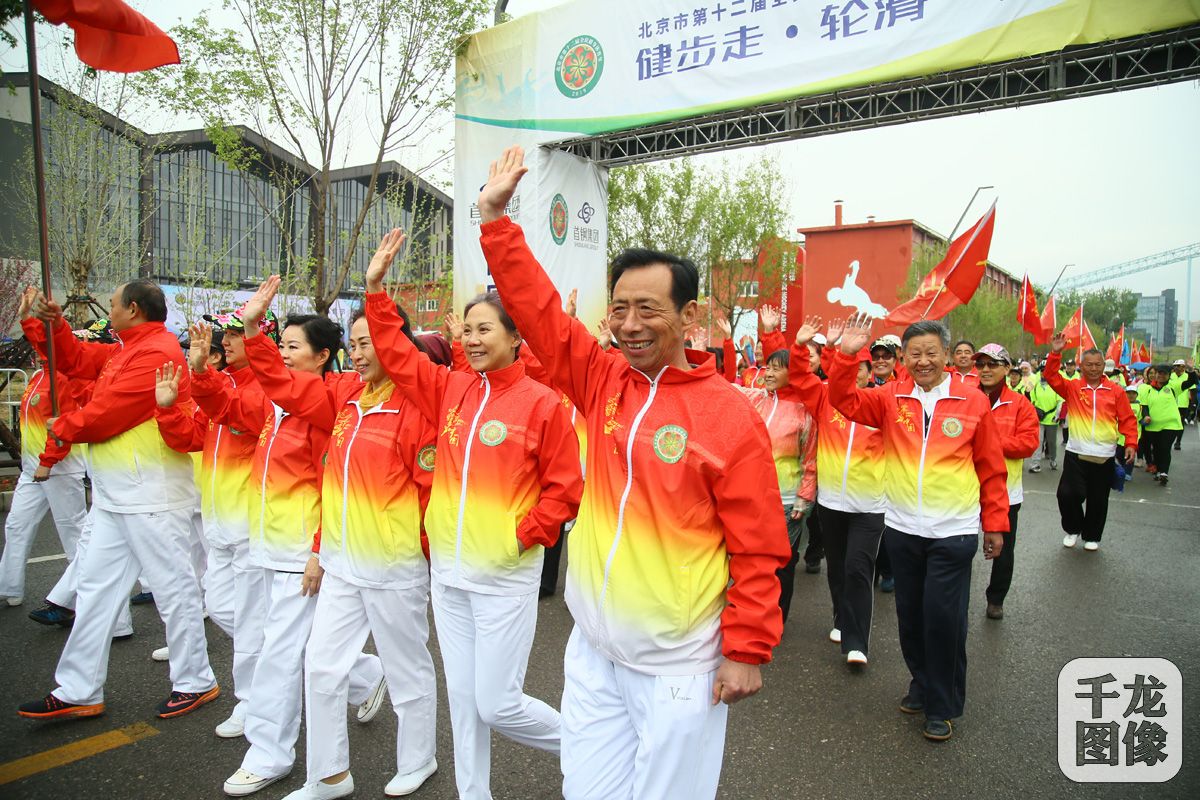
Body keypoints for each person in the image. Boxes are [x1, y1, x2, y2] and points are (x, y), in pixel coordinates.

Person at [476, 145, 790, 798]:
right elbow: (539, 314)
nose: (629, 323)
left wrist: (747, 647)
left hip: (678, 667)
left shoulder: (730, 417)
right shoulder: (601, 379)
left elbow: (759, 546)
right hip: (593, 653)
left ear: (690, 317)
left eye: (648, 308)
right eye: (619, 307)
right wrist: (495, 222)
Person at [366, 229, 583, 800]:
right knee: (462, 700)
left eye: (486, 328)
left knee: (497, 702)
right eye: (467, 329)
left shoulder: (540, 403)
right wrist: (375, 290)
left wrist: (520, 535)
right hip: (449, 577)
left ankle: (586, 744)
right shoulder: (451, 389)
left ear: (515, 337)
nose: (473, 337)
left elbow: (565, 489)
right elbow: (395, 352)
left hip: (503, 578)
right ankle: (473, 793)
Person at [223, 278, 442, 800]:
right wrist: (255, 330)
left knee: (408, 673)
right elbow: (284, 388)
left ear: (397, 345)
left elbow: (433, 498)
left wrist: (432, 565)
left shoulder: (419, 410)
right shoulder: (344, 396)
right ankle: (329, 776)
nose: (361, 351)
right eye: (357, 341)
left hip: (392, 568)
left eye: (372, 341)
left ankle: (420, 758)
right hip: (341, 564)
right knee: (320, 667)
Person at [189, 311, 384, 797]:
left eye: (293, 346)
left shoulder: (325, 410)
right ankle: (367, 675)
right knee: (269, 642)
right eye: (283, 346)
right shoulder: (270, 402)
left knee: (277, 654)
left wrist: (318, 549)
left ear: (322, 357)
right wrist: (199, 372)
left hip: (300, 554)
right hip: (265, 546)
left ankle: (270, 754)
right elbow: (228, 410)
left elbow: (333, 485)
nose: (284, 354)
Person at [17, 280, 218, 721]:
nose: (108, 311)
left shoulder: (157, 352)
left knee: (174, 588)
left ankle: (195, 680)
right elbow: (73, 360)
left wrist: (63, 427)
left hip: (151, 491)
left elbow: (110, 413)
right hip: (115, 494)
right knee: (94, 589)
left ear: (132, 309)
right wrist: (44, 325)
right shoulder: (125, 349)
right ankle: (79, 688)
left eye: (112, 305)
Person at [827, 314, 1008, 742]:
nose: (923, 361)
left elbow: (991, 466)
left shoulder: (972, 401)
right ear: (904, 358)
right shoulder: (890, 397)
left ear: (947, 355)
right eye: (915, 354)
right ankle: (921, 683)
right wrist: (846, 354)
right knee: (910, 617)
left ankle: (942, 705)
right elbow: (843, 400)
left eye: (931, 353)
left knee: (943, 619)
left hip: (954, 530)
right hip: (904, 528)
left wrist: (995, 523)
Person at [152, 308, 272, 740]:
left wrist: (204, 375)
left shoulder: (266, 390)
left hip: (252, 524)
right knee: (223, 608)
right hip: (218, 522)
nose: (226, 340)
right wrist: (167, 409)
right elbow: (189, 437)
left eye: (236, 334)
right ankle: (353, 670)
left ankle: (253, 704)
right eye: (226, 333)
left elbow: (236, 412)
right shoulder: (225, 385)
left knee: (254, 624)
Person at [790, 316, 886, 666]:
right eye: (852, 363)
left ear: (869, 371)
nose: (857, 372)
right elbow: (800, 377)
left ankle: (856, 641)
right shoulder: (823, 398)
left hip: (869, 505)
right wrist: (801, 346)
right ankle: (840, 618)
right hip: (831, 501)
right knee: (839, 569)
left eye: (863, 365)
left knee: (860, 569)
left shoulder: (881, 403)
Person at [718, 309, 816, 625]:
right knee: (746, 557)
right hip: (751, 495)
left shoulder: (803, 412)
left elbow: (810, 459)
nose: (769, 373)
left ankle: (776, 615)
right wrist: (726, 343)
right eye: (768, 367)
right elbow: (723, 386)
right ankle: (745, 611)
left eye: (777, 369)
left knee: (781, 562)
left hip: (786, 501)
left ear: (793, 373)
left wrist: (804, 497)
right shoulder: (756, 398)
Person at [1, 289, 87, 609]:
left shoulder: (63, 378)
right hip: (33, 469)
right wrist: (26, 317)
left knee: (73, 536)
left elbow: (63, 425)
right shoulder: (42, 374)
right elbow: (41, 339)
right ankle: (9, 587)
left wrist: (49, 462)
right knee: (16, 524)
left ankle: (83, 600)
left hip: (59, 468)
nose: (38, 347)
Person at [1044, 339, 1137, 551]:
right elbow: (1050, 376)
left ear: (1104, 366)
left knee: (1098, 499)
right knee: (1067, 494)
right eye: (1089, 364)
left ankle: (1092, 536)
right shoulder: (1073, 388)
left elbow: (1128, 420)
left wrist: (1131, 442)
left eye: (1097, 364)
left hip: (1104, 455)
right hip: (1076, 452)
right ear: (1081, 366)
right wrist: (1055, 353)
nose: (1093, 368)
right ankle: (1073, 528)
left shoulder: (1116, 391)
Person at [973, 345, 1039, 621]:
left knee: (1003, 551)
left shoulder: (1020, 404)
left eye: (993, 364)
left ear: (1007, 369)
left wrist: (991, 442)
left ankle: (996, 599)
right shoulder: (964, 397)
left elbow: (1028, 443)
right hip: (961, 490)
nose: (986, 370)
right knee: (956, 547)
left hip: (1004, 493)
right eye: (982, 365)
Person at [1140, 364, 1194, 486]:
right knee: (1157, 449)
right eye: (1159, 373)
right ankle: (1159, 470)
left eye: (1164, 373)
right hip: (1153, 426)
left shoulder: (1173, 386)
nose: (1161, 375)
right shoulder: (1147, 389)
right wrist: (1146, 416)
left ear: (1169, 375)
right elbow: (1145, 407)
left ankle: (1164, 473)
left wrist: (1190, 371)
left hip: (1171, 424)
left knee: (1165, 447)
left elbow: (1191, 382)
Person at [1027, 369, 1063, 473]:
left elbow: (1060, 401)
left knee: (1051, 442)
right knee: (1038, 441)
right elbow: (1032, 401)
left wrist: (1057, 415)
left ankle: (1053, 459)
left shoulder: (1055, 386)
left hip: (1051, 419)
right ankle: (1035, 463)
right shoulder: (1036, 386)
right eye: (1042, 371)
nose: (1043, 373)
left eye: (1045, 371)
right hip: (1039, 418)